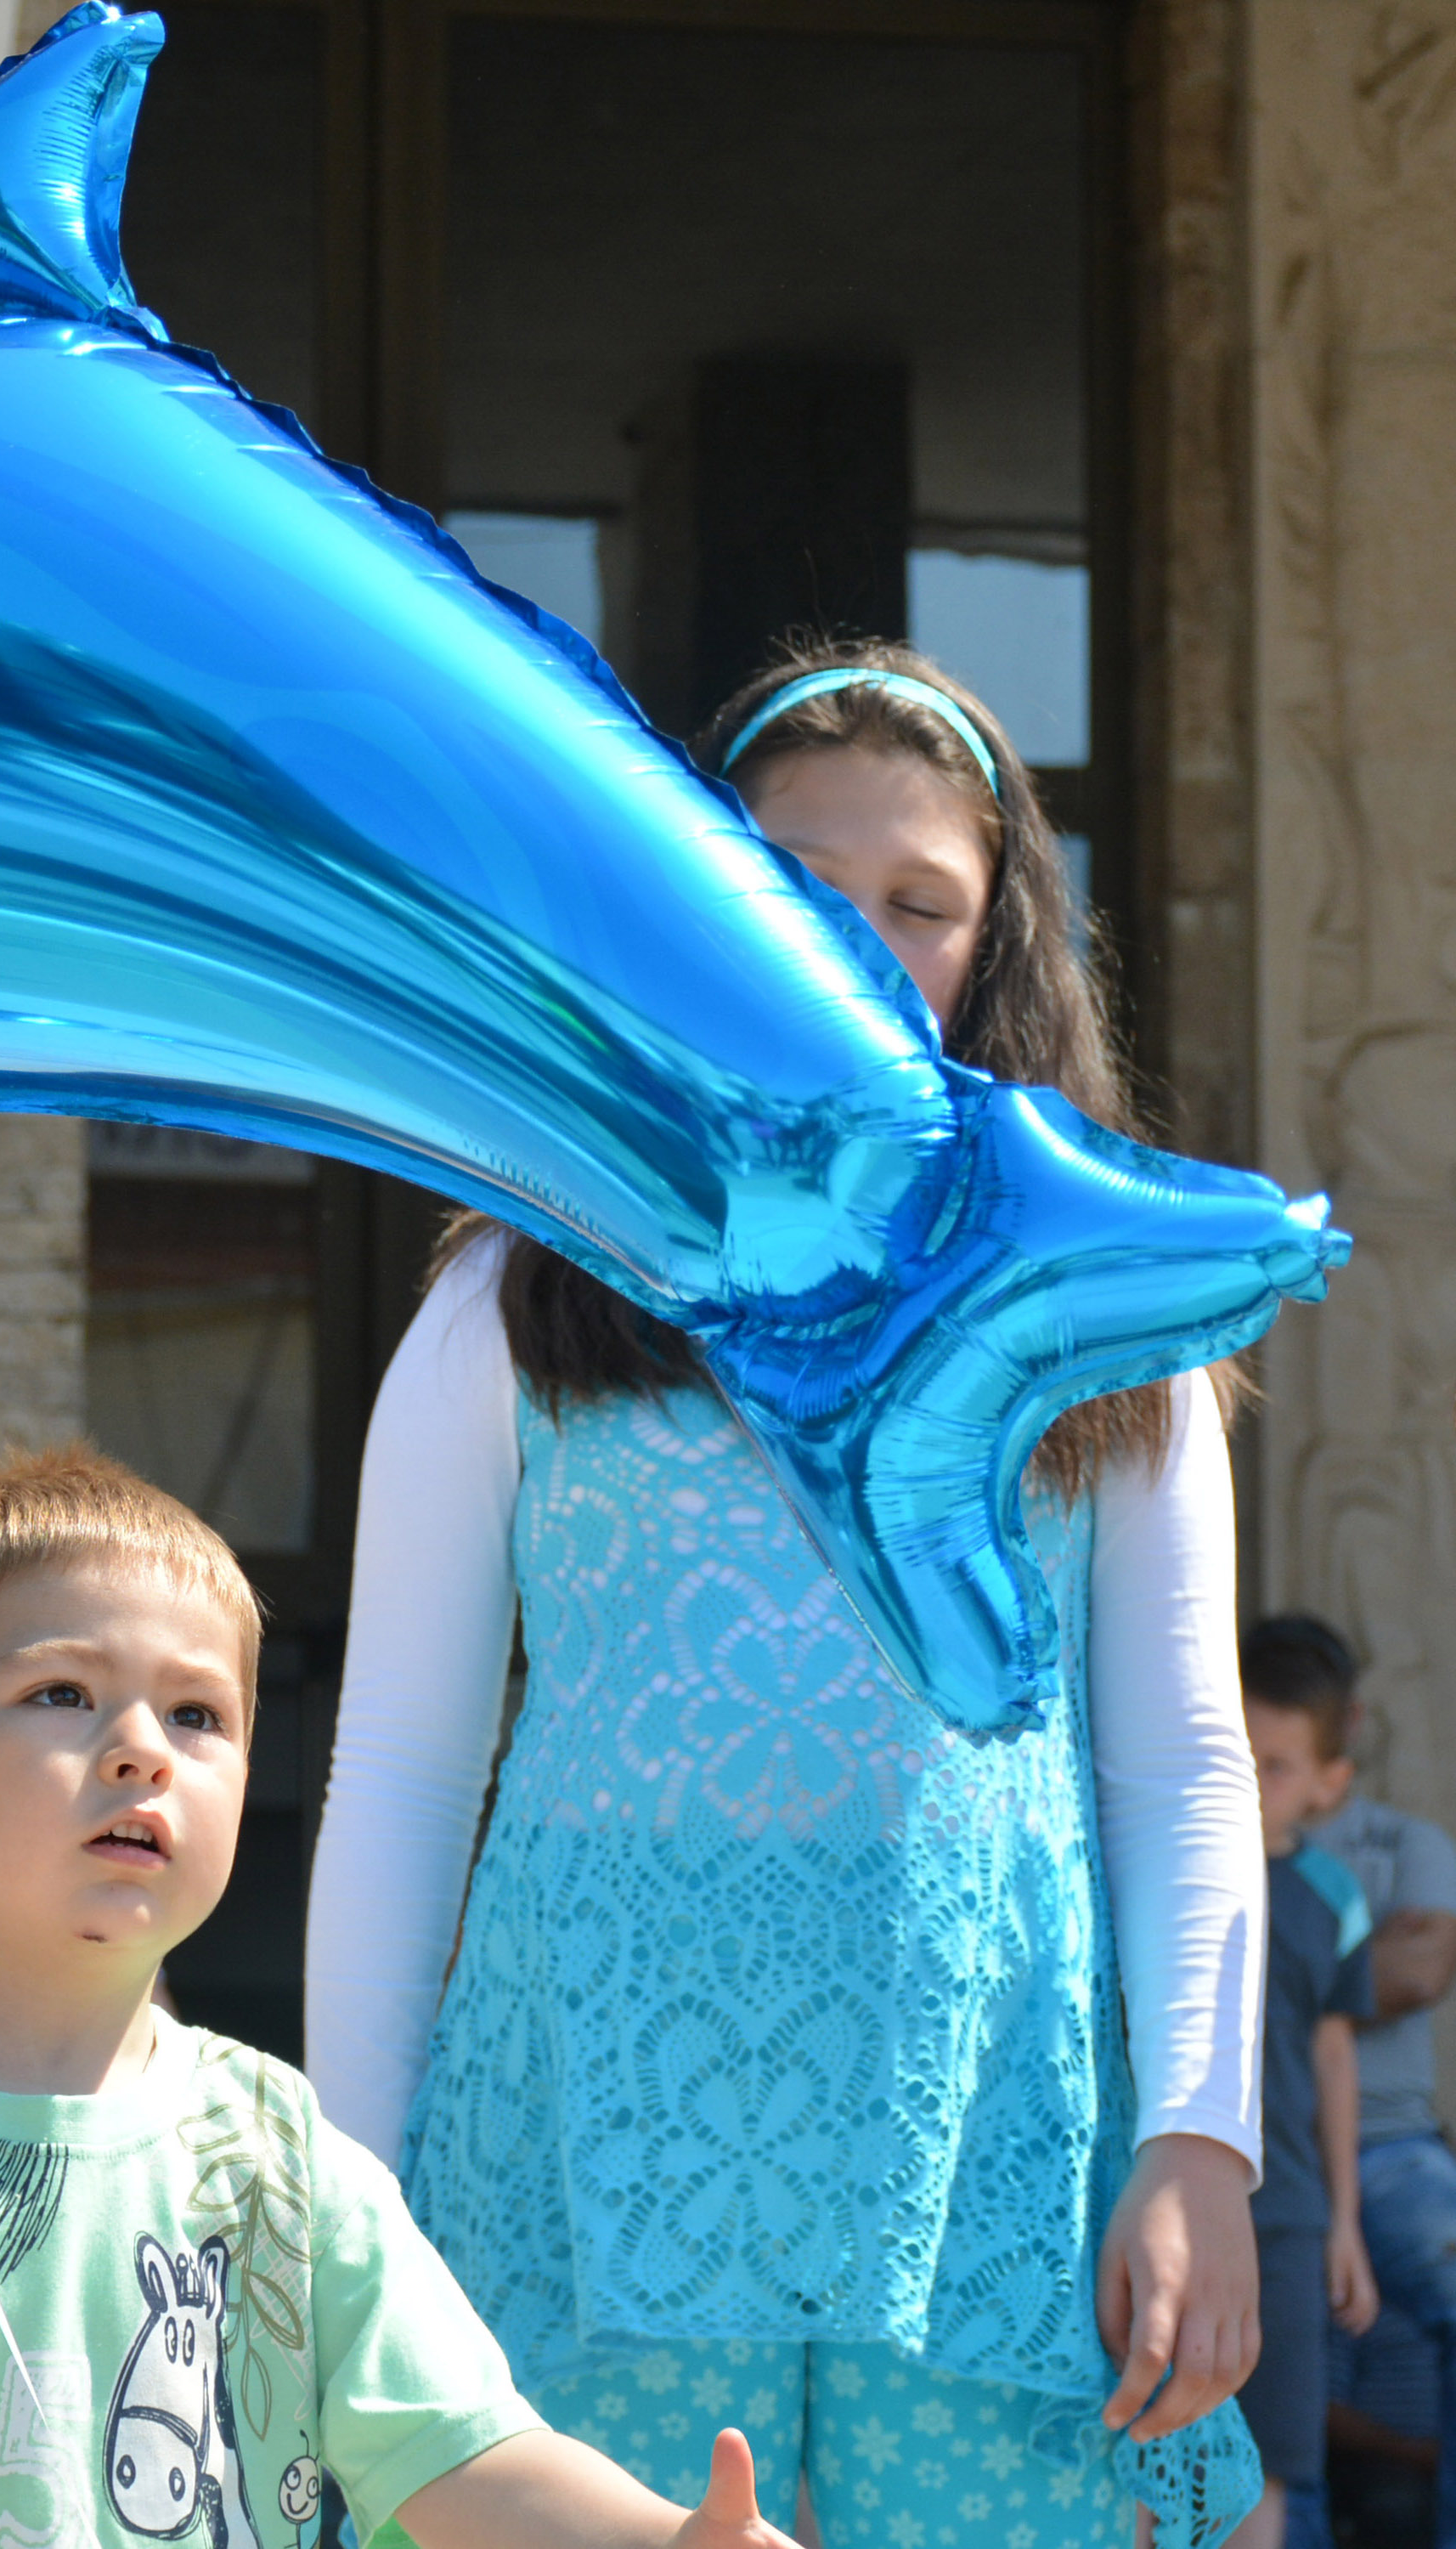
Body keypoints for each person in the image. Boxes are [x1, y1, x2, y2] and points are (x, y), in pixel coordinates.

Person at [308, 638, 1267, 2547]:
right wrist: (348, 2199)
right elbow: (406, 1770)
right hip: (584, 2157)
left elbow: (1180, 1766)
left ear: (993, 953)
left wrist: (1199, 2138)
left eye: (919, 903)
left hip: (985, 2143)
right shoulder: (514, 1289)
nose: (856, 934)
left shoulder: (1107, 1330)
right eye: (795, 883)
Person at [0, 1446, 802, 2549]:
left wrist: (659, 2540)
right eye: (63, 1692)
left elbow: (460, 2452)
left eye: (199, 1713)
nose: (143, 1746)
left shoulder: (279, 2152)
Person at [1273, 1615, 1456, 2548]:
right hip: (1274, 2148)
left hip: (1390, 2144)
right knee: (1275, 2378)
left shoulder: (1401, 1840)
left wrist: (1286, 1977)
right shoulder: (1218, 1849)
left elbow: (1422, 1968)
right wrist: (1344, 1971)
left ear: (1343, 1727)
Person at [1235, 1630, 1380, 2548]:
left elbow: (1333, 2061)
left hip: (1284, 2220)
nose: (1248, 1783)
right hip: (1144, 2201)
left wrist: (1344, 2225)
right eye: (1233, 1753)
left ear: (1329, 1781)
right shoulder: (1149, 1870)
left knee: (1270, 2460)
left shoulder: (1330, 1899)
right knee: (1133, 2441)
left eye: (1275, 1767)